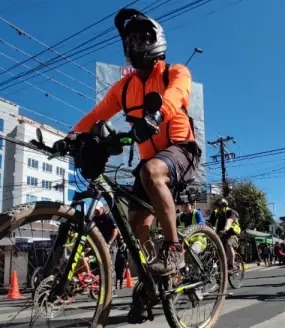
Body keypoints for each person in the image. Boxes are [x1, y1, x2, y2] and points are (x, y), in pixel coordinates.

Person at [68, 8, 199, 277]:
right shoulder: (124, 87)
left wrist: (157, 114)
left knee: (151, 171)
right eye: (128, 41)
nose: (133, 45)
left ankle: (174, 249)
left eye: (140, 39)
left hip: (181, 150)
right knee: (136, 225)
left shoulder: (175, 72)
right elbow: (96, 115)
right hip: (149, 161)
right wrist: (70, 137)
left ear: (155, 41)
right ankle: (154, 278)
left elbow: (176, 95)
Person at [208, 198, 241, 269]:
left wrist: (225, 229)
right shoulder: (215, 213)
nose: (218, 209)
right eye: (217, 207)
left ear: (225, 206)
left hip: (231, 234)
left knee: (228, 244)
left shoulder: (231, 212)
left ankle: (231, 266)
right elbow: (209, 224)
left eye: (220, 207)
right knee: (213, 248)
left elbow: (229, 221)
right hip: (219, 235)